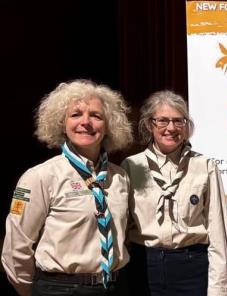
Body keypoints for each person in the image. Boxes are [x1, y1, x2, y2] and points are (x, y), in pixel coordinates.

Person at [1, 79, 134, 296]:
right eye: (75, 115)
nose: (86, 122)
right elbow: (16, 248)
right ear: (62, 123)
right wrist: (30, 291)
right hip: (61, 289)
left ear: (109, 125)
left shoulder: (119, 176)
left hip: (115, 287)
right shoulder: (40, 177)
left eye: (96, 115)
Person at [121, 90, 227, 296]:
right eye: (162, 120)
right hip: (143, 265)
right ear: (149, 125)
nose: (171, 128)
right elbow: (123, 228)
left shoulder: (205, 166)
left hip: (191, 267)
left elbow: (218, 233)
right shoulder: (131, 166)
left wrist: (218, 290)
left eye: (178, 121)